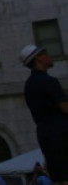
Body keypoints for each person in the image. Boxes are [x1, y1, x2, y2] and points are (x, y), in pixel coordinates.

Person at [20, 44, 68, 185]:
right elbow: (65, 108)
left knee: (58, 177)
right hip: (62, 134)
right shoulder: (49, 82)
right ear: (38, 58)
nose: (49, 56)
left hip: (45, 135)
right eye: (44, 53)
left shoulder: (29, 85)